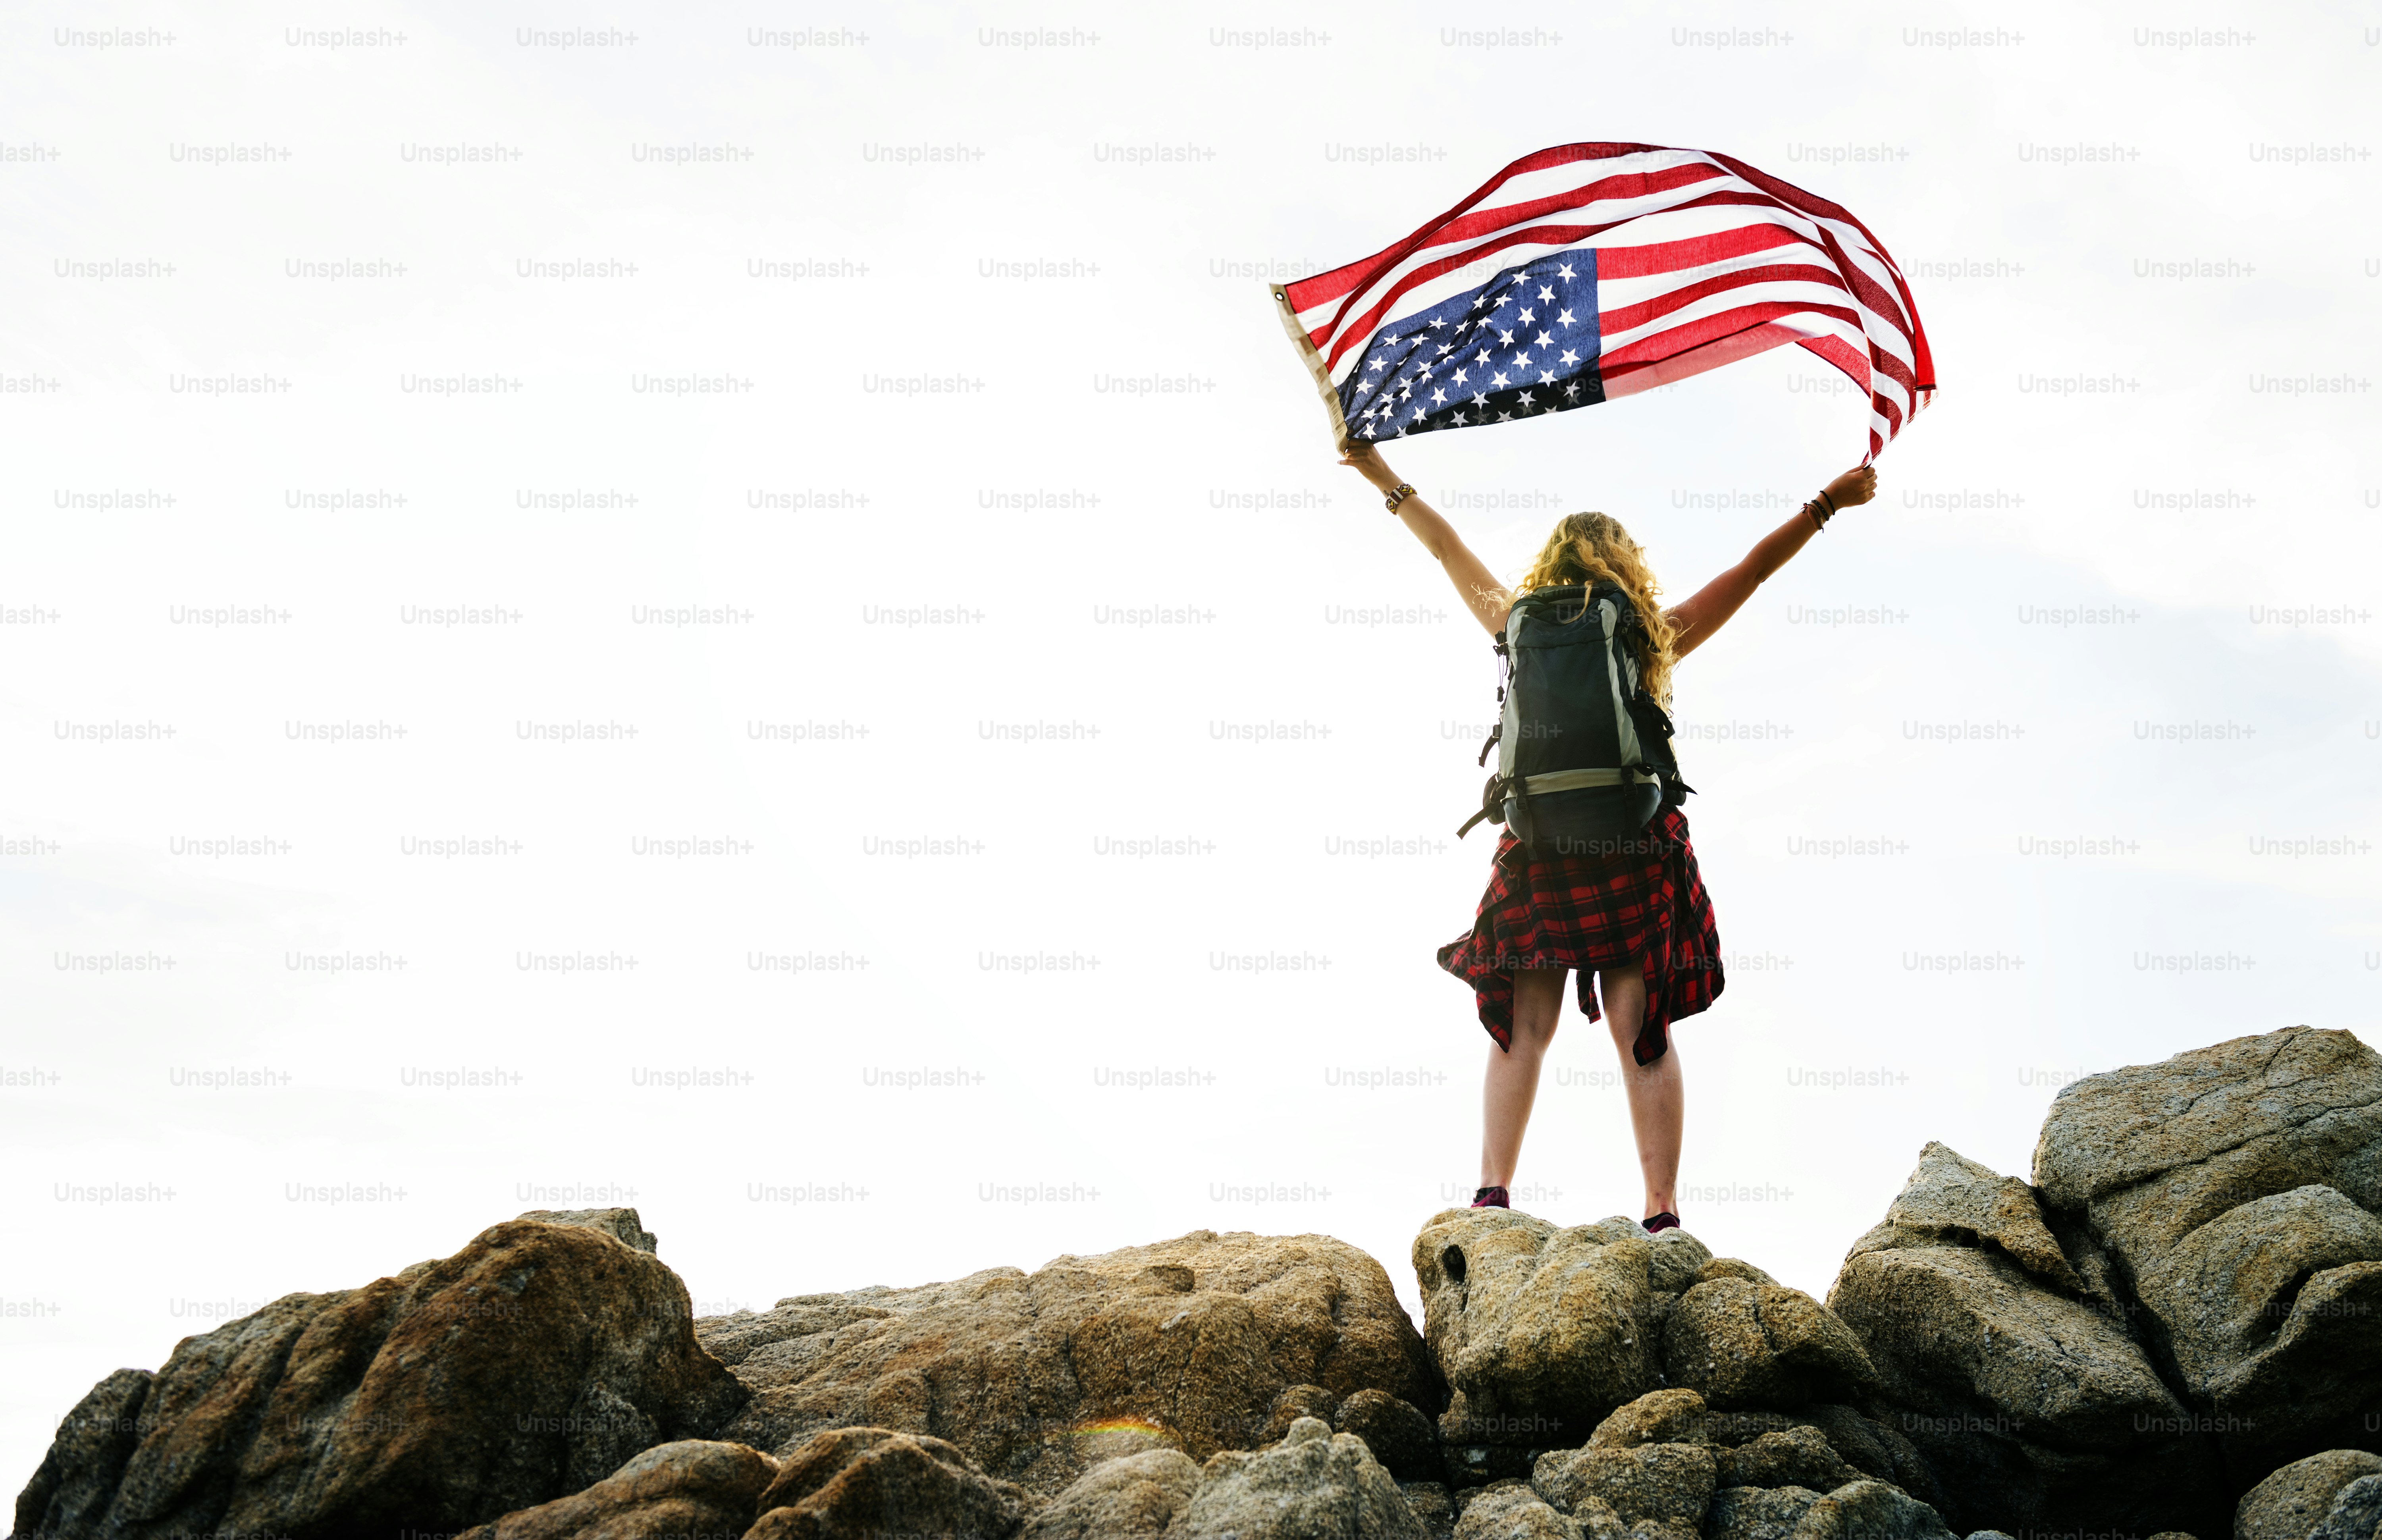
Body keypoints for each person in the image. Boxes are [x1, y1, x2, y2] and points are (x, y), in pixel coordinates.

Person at [1339, 440, 1877, 1232]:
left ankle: (1492, 1191)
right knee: (1641, 1026)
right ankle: (1660, 1208)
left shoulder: (1514, 620)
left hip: (1539, 843)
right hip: (1632, 839)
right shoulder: (1647, 632)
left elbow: (1444, 543)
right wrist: (1829, 501)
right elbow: (1756, 567)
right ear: (1625, 568)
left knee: (1526, 1021)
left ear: (1551, 566)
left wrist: (1381, 473)